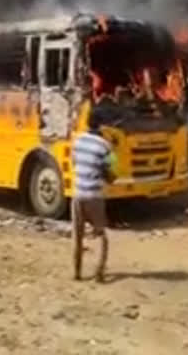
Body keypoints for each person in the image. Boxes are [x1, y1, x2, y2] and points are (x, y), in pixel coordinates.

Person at [71, 108, 115, 283]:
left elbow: (75, 163)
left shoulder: (78, 141)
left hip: (77, 195)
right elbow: (112, 174)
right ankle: (99, 272)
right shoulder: (105, 146)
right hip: (94, 196)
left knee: (77, 236)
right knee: (101, 235)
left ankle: (77, 273)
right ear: (102, 125)